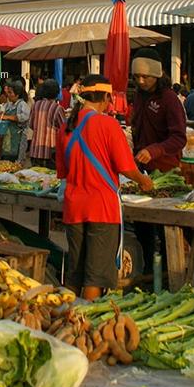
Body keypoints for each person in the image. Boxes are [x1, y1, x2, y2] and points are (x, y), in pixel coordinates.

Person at [56, 75, 153, 301]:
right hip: (101, 209)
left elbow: (62, 172)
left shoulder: (65, 128)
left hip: (73, 208)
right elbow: (126, 167)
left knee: (75, 273)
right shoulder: (108, 124)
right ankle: (86, 326)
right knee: (95, 276)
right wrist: (144, 181)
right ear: (106, 96)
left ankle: (65, 319)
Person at [130, 55, 187, 172]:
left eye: (145, 77)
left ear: (157, 75)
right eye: (136, 76)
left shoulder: (169, 98)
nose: (140, 81)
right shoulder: (138, 96)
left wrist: (154, 150)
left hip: (165, 167)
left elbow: (179, 138)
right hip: (141, 165)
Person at [29, 79, 65, 169]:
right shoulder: (57, 108)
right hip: (50, 153)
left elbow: (31, 125)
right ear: (57, 93)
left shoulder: (36, 105)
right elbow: (63, 129)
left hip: (35, 151)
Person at [0, 82, 31, 162]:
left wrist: (8, 117)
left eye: (10, 93)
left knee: (16, 161)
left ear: (17, 94)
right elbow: (2, 113)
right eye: (8, 92)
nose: (8, 95)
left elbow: (24, 117)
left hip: (18, 138)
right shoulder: (8, 105)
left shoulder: (22, 104)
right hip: (8, 137)